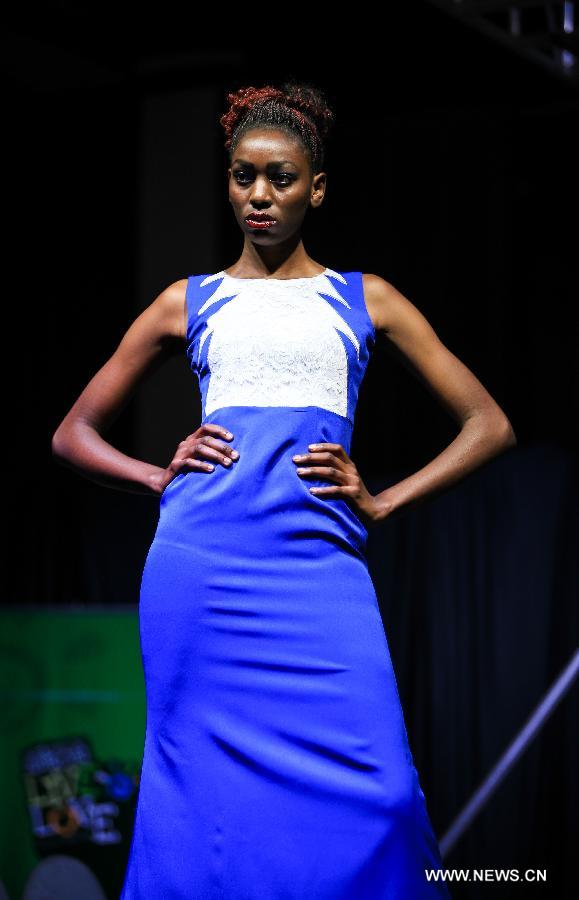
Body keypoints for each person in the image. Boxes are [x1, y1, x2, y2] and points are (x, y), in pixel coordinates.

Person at [52, 81, 516, 899]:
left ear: (318, 188)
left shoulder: (363, 299)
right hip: (201, 571)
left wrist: (383, 501)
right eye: (241, 177)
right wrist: (156, 476)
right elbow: (72, 434)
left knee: (382, 798)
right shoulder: (187, 302)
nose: (258, 196)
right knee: (198, 797)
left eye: (280, 178)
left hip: (319, 575)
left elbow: (488, 423)